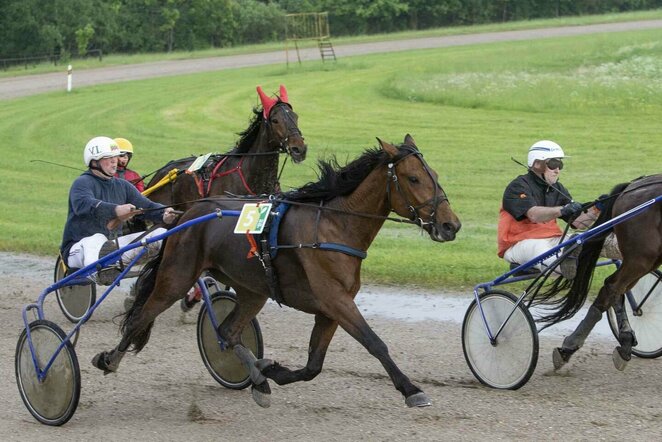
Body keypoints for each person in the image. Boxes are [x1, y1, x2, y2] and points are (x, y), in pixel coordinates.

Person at [61, 136, 177, 284]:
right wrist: (116, 210)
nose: (114, 161)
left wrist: (164, 214)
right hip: (78, 249)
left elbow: (147, 206)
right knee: (96, 239)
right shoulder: (82, 183)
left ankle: (146, 278)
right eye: (108, 158)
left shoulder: (123, 186)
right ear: (94, 161)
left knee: (161, 235)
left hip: (113, 247)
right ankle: (101, 273)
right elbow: (84, 205)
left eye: (115, 157)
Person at [497, 140, 594, 278]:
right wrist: (562, 210)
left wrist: (597, 209)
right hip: (518, 244)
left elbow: (578, 223)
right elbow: (534, 215)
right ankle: (564, 267)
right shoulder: (518, 186)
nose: (557, 169)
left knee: (586, 241)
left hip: (551, 239)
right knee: (547, 252)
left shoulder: (558, 188)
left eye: (560, 164)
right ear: (537, 163)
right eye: (553, 164)